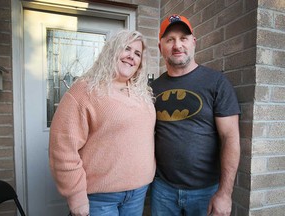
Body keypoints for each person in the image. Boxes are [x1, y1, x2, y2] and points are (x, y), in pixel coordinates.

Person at [49, 30, 156, 216]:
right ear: (112, 51)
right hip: (100, 198)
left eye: (137, 53)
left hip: (138, 192)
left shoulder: (142, 93)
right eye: (126, 49)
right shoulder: (85, 90)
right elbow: (63, 147)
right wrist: (76, 196)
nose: (131, 56)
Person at [150, 14, 241, 216]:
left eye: (183, 38)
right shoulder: (152, 88)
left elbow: (230, 138)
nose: (177, 45)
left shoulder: (216, 83)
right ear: (160, 47)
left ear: (193, 42)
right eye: (170, 39)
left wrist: (225, 193)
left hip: (206, 191)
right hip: (163, 190)